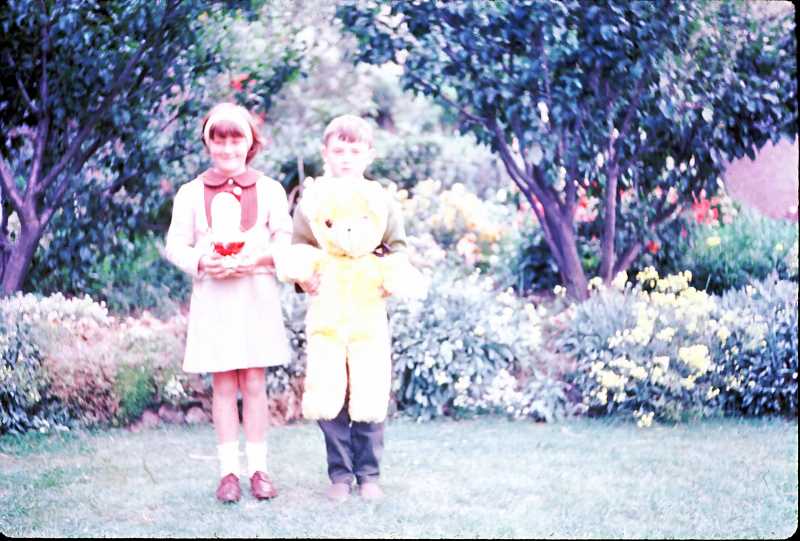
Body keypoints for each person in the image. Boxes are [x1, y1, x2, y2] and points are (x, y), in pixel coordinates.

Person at [164, 102, 292, 504]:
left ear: (251, 143)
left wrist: (259, 259)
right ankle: (228, 474)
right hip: (215, 298)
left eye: (236, 140)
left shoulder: (270, 190)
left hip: (256, 295)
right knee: (222, 384)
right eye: (219, 141)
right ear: (208, 144)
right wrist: (203, 262)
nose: (227, 149)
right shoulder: (191, 192)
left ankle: (259, 470)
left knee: (254, 382)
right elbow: (175, 245)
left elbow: (284, 239)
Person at [292, 114, 407, 502]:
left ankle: (369, 473)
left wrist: (390, 277)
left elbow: (397, 248)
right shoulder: (313, 200)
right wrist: (303, 277)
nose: (346, 158)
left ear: (369, 154)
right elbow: (300, 247)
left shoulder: (380, 200)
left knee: (369, 389)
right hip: (327, 307)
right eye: (338, 150)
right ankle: (340, 474)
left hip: (367, 307)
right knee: (330, 391)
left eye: (355, 151)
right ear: (325, 153)